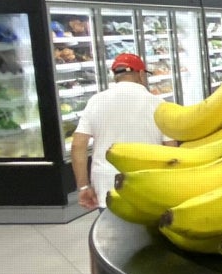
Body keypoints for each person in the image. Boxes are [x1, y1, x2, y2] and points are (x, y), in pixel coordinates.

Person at [71, 53, 165, 210]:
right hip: (148, 182)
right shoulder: (158, 104)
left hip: (107, 184)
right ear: (141, 74)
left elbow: (78, 145)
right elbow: (171, 147)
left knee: (109, 232)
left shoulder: (95, 101)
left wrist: (83, 187)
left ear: (115, 76)